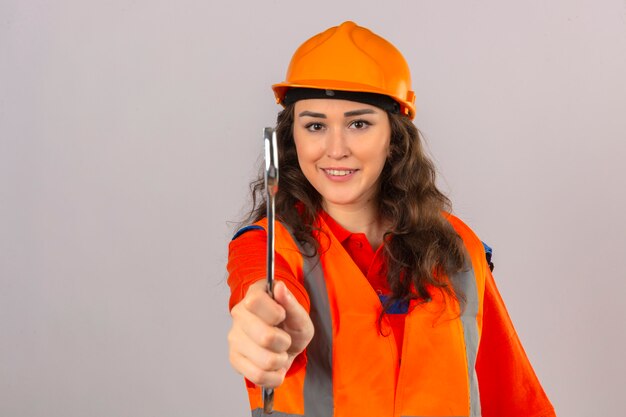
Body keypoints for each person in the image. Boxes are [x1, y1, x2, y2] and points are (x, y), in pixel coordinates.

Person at [227, 21, 556, 417]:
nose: (335, 149)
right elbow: (258, 287)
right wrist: (261, 324)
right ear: (291, 139)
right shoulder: (267, 245)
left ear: (394, 136)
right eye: (315, 125)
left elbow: (513, 396)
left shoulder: (456, 247)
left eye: (359, 124)